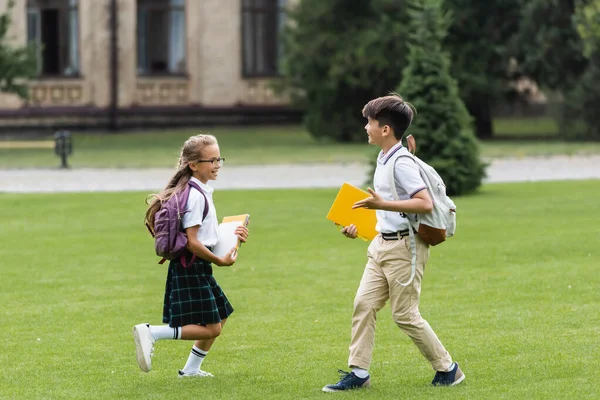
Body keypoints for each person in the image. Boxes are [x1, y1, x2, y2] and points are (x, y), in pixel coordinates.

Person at [322, 94, 464, 392]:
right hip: (380, 246)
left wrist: (382, 204)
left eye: (369, 122)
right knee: (363, 304)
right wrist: (357, 227)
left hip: (405, 249)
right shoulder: (384, 157)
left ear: (385, 129)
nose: (366, 128)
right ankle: (359, 373)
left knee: (405, 315)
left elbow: (423, 203)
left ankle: (448, 369)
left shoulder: (400, 162)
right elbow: (388, 210)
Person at [133, 134, 249, 377]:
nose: (217, 165)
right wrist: (219, 260)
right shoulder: (195, 196)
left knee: (222, 313)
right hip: (192, 266)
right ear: (193, 165)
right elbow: (194, 242)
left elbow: (206, 233)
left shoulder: (200, 190)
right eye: (212, 160)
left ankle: (191, 370)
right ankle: (153, 332)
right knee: (212, 328)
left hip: (197, 265)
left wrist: (232, 233)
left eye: (219, 159)